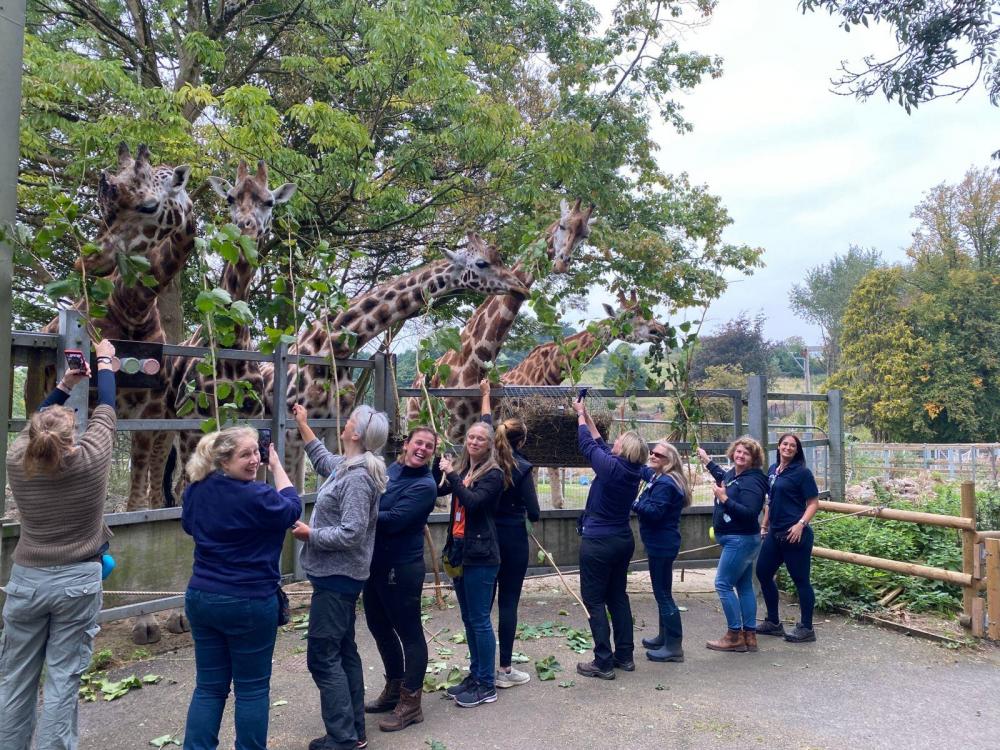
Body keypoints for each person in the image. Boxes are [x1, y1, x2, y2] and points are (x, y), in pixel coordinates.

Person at [0, 339, 116, 750]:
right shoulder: (92, 460)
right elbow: (108, 410)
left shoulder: (17, 459)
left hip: (27, 581)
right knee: (63, 678)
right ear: (71, 438)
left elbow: (35, 425)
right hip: (77, 582)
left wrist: (65, 384)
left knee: (15, 677)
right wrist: (106, 362)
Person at [181, 425, 301, 750]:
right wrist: (276, 466)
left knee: (208, 688)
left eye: (256, 452)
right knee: (252, 689)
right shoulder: (260, 496)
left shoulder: (197, 489)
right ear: (223, 461)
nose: (254, 459)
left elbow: (190, 525)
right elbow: (293, 506)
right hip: (249, 602)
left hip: (202, 598)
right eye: (245, 454)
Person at [291, 403, 389, 750]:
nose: (344, 423)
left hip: (337, 578)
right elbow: (322, 460)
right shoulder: (347, 466)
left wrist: (311, 535)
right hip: (337, 578)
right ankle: (355, 731)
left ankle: (342, 737)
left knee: (322, 655)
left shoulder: (359, 478)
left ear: (357, 433)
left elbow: (352, 533)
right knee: (344, 651)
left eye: (349, 421)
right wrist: (302, 423)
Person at [362, 425, 438, 733]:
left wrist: (359, 512)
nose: (422, 449)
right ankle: (394, 687)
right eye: (418, 443)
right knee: (378, 627)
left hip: (401, 569)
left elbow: (393, 520)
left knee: (409, 633)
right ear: (405, 444)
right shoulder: (391, 469)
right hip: (374, 564)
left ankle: (411, 704)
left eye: (429, 446)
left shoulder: (425, 485)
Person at [572, 398, 647, 680]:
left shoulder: (612, 469)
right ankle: (625, 656)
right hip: (622, 540)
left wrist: (579, 416)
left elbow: (588, 446)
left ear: (624, 450)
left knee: (594, 600)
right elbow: (600, 442)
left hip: (599, 543)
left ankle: (602, 661)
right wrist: (588, 415)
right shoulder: (629, 469)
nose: (614, 441)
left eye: (620, 440)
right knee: (618, 596)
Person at [479, 379, 540, 688]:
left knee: (483, 605)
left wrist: (486, 397)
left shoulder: (486, 459)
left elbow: (485, 426)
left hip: (487, 539)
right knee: (508, 604)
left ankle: (481, 666)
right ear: (522, 440)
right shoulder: (523, 468)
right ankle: (504, 670)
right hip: (514, 540)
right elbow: (536, 512)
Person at [438, 421, 505, 708]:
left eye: (481, 438)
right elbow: (441, 490)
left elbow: (472, 502)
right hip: (460, 551)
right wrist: (438, 464)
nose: (474, 442)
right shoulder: (464, 469)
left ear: (490, 444)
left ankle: (487, 684)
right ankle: (475, 675)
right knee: (468, 619)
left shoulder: (494, 474)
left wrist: (452, 475)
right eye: (471, 437)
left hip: (482, 555)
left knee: (479, 620)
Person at [697, 437, 769, 653]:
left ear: (754, 459)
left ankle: (734, 635)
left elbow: (750, 513)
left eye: (745, 454)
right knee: (744, 585)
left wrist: (724, 499)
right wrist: (707, 461)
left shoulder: (753, 481)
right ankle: (750, 635)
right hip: (739, 539)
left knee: (723, 584)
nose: (740, 456)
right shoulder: (736, 475)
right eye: (738, 452)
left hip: (740, 540)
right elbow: (724, 477)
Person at [756, 433, 820, 643]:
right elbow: (771, 501)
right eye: (785, 444)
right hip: (775, 533)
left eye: (793, 445)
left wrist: (801, 525)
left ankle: (806, 628)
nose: (788, 448)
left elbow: (813, 503)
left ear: (797, 450)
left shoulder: (802, 473)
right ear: (779, 446)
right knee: (763, 573)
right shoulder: (774, 471)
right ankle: (773, 622)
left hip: (795, 535)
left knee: (801, 581)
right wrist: (765, 525)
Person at [634, 441, 690, 663]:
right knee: (663, 591)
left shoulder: (666, 483)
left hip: (662, 544)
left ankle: (674, 646)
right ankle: (664, 637)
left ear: (670, 462)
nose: (653, 456)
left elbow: (655, 512)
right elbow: (641, 469)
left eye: (659, 455)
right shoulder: (660, 477)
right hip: (662, 543)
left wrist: (634, 503)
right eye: (652, 452)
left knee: (663, 594)